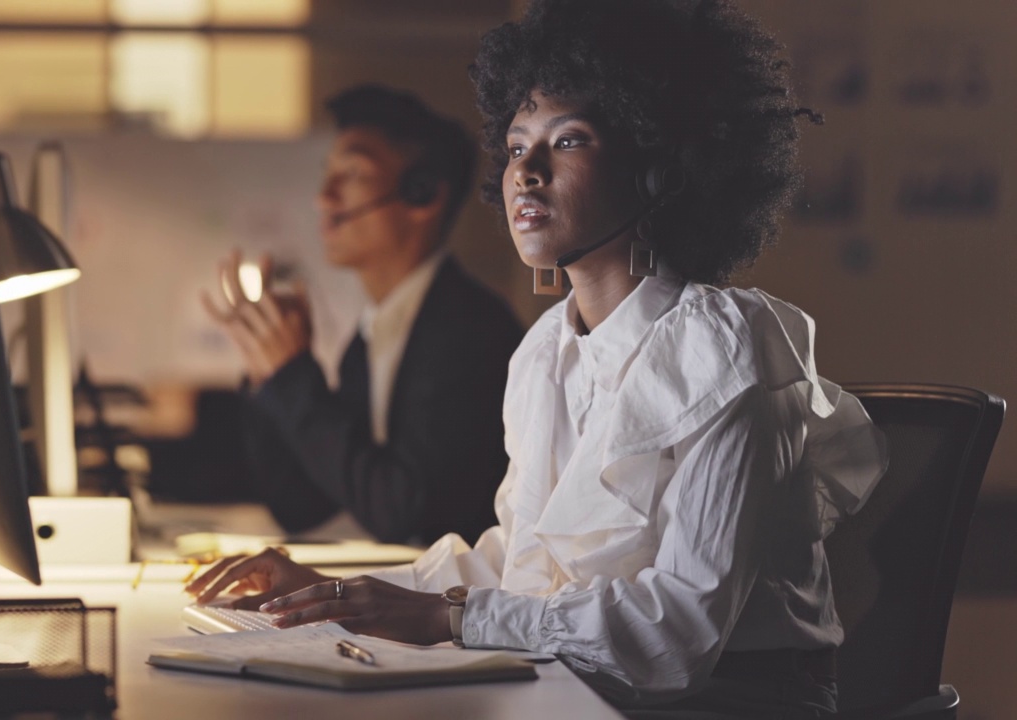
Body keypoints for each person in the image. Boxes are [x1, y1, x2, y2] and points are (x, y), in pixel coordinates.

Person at [188, 1, 887, 716]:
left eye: (570, 140)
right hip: (581, 694)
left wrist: (453, 619)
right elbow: (516, 562)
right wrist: (333, 590)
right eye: (518, 146)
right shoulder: (543, 353)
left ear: (656, 168)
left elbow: (677, 634)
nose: (527, 172)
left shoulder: (724, 349)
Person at [202, 84, 524, 546]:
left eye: (351, 173)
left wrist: (292, 378)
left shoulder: (467, 330)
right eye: (325, 175)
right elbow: (299, 506)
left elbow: (404, 511)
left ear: (422, 194)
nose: (324, 199)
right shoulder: (373, 334)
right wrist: (268, 377)